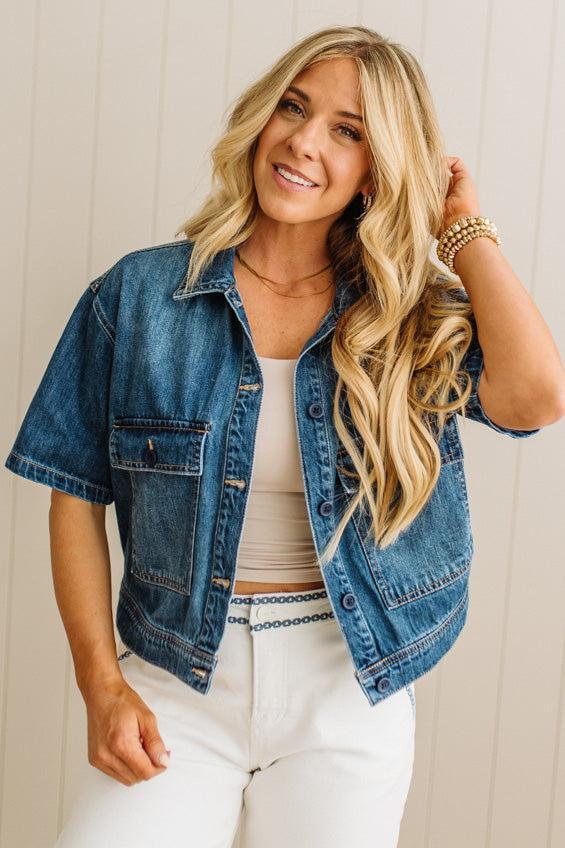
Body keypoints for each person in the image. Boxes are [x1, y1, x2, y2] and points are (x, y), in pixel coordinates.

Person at [5, 25, 564, 848]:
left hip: (344, 682)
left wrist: (462, 231)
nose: (304, 141)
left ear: (379, 169)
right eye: (294, 108)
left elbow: (533, 399)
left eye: (348, 131)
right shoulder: (139, 296)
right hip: (176, 676)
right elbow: (74, 497)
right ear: (261, 117)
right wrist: (102, 683)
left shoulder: (401, 316)